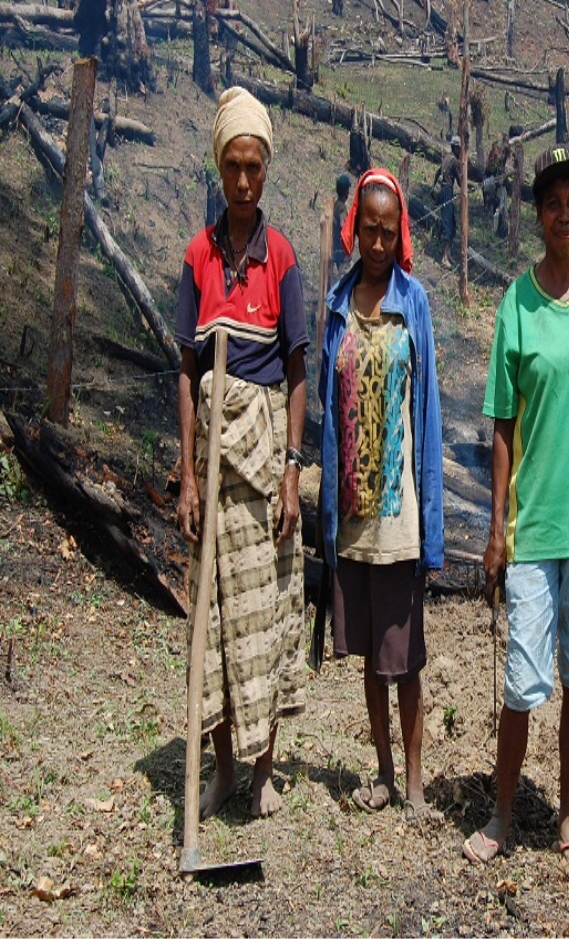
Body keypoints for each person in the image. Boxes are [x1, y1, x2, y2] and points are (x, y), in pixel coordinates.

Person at [462, 145, 569, 873]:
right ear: (537, 215)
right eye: (553, 202)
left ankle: (567, 818)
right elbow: (502, 424)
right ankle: (503, 813)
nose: (565, 213)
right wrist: (498, 529)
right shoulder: (516, 304)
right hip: (533, 527)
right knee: (520, 678)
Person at [176, 85, 308, 819]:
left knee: (270, 613)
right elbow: (186, 374)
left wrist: (291, 472)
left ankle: (264, 769)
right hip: (213, 466)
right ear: (219, 168)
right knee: (217, 615)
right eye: (233, 166)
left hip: (263, 463)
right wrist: (189, 477)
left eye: (255, 166)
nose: (245, 180)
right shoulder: (198, 255)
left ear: (266, 169)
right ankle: (222, 766)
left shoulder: (282, 256)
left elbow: (296, 371)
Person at [318, 168, 445, 823]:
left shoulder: (412, 302)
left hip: (398, 513)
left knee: (406, 656)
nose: (375, 239)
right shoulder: (339, 300)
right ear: (354, 228)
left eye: (386, 229)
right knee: (370, 651)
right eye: (367, 227)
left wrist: (434, 524)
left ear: (400, 235)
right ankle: (383, 772)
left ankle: (417, 779)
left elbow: (427, 412)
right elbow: (323, 405)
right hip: (352, 512)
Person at [432, 135, 461, 267]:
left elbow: (437, 174)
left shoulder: (446, 158)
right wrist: (468, 186)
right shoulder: (454, 160)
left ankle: (448, 254)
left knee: (452, 224)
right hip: (447, 191)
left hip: (443, 191)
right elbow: (460, 182)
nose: (460, 151)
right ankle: (444, 258)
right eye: (459, 148)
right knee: (448, 225)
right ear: (455, 147)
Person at [331, 173, 353, 277]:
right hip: (340, 251)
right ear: (346, 192)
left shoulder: (335, 205)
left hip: (333, 248)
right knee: (349, 277)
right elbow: (343, 225)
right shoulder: (342, 208)